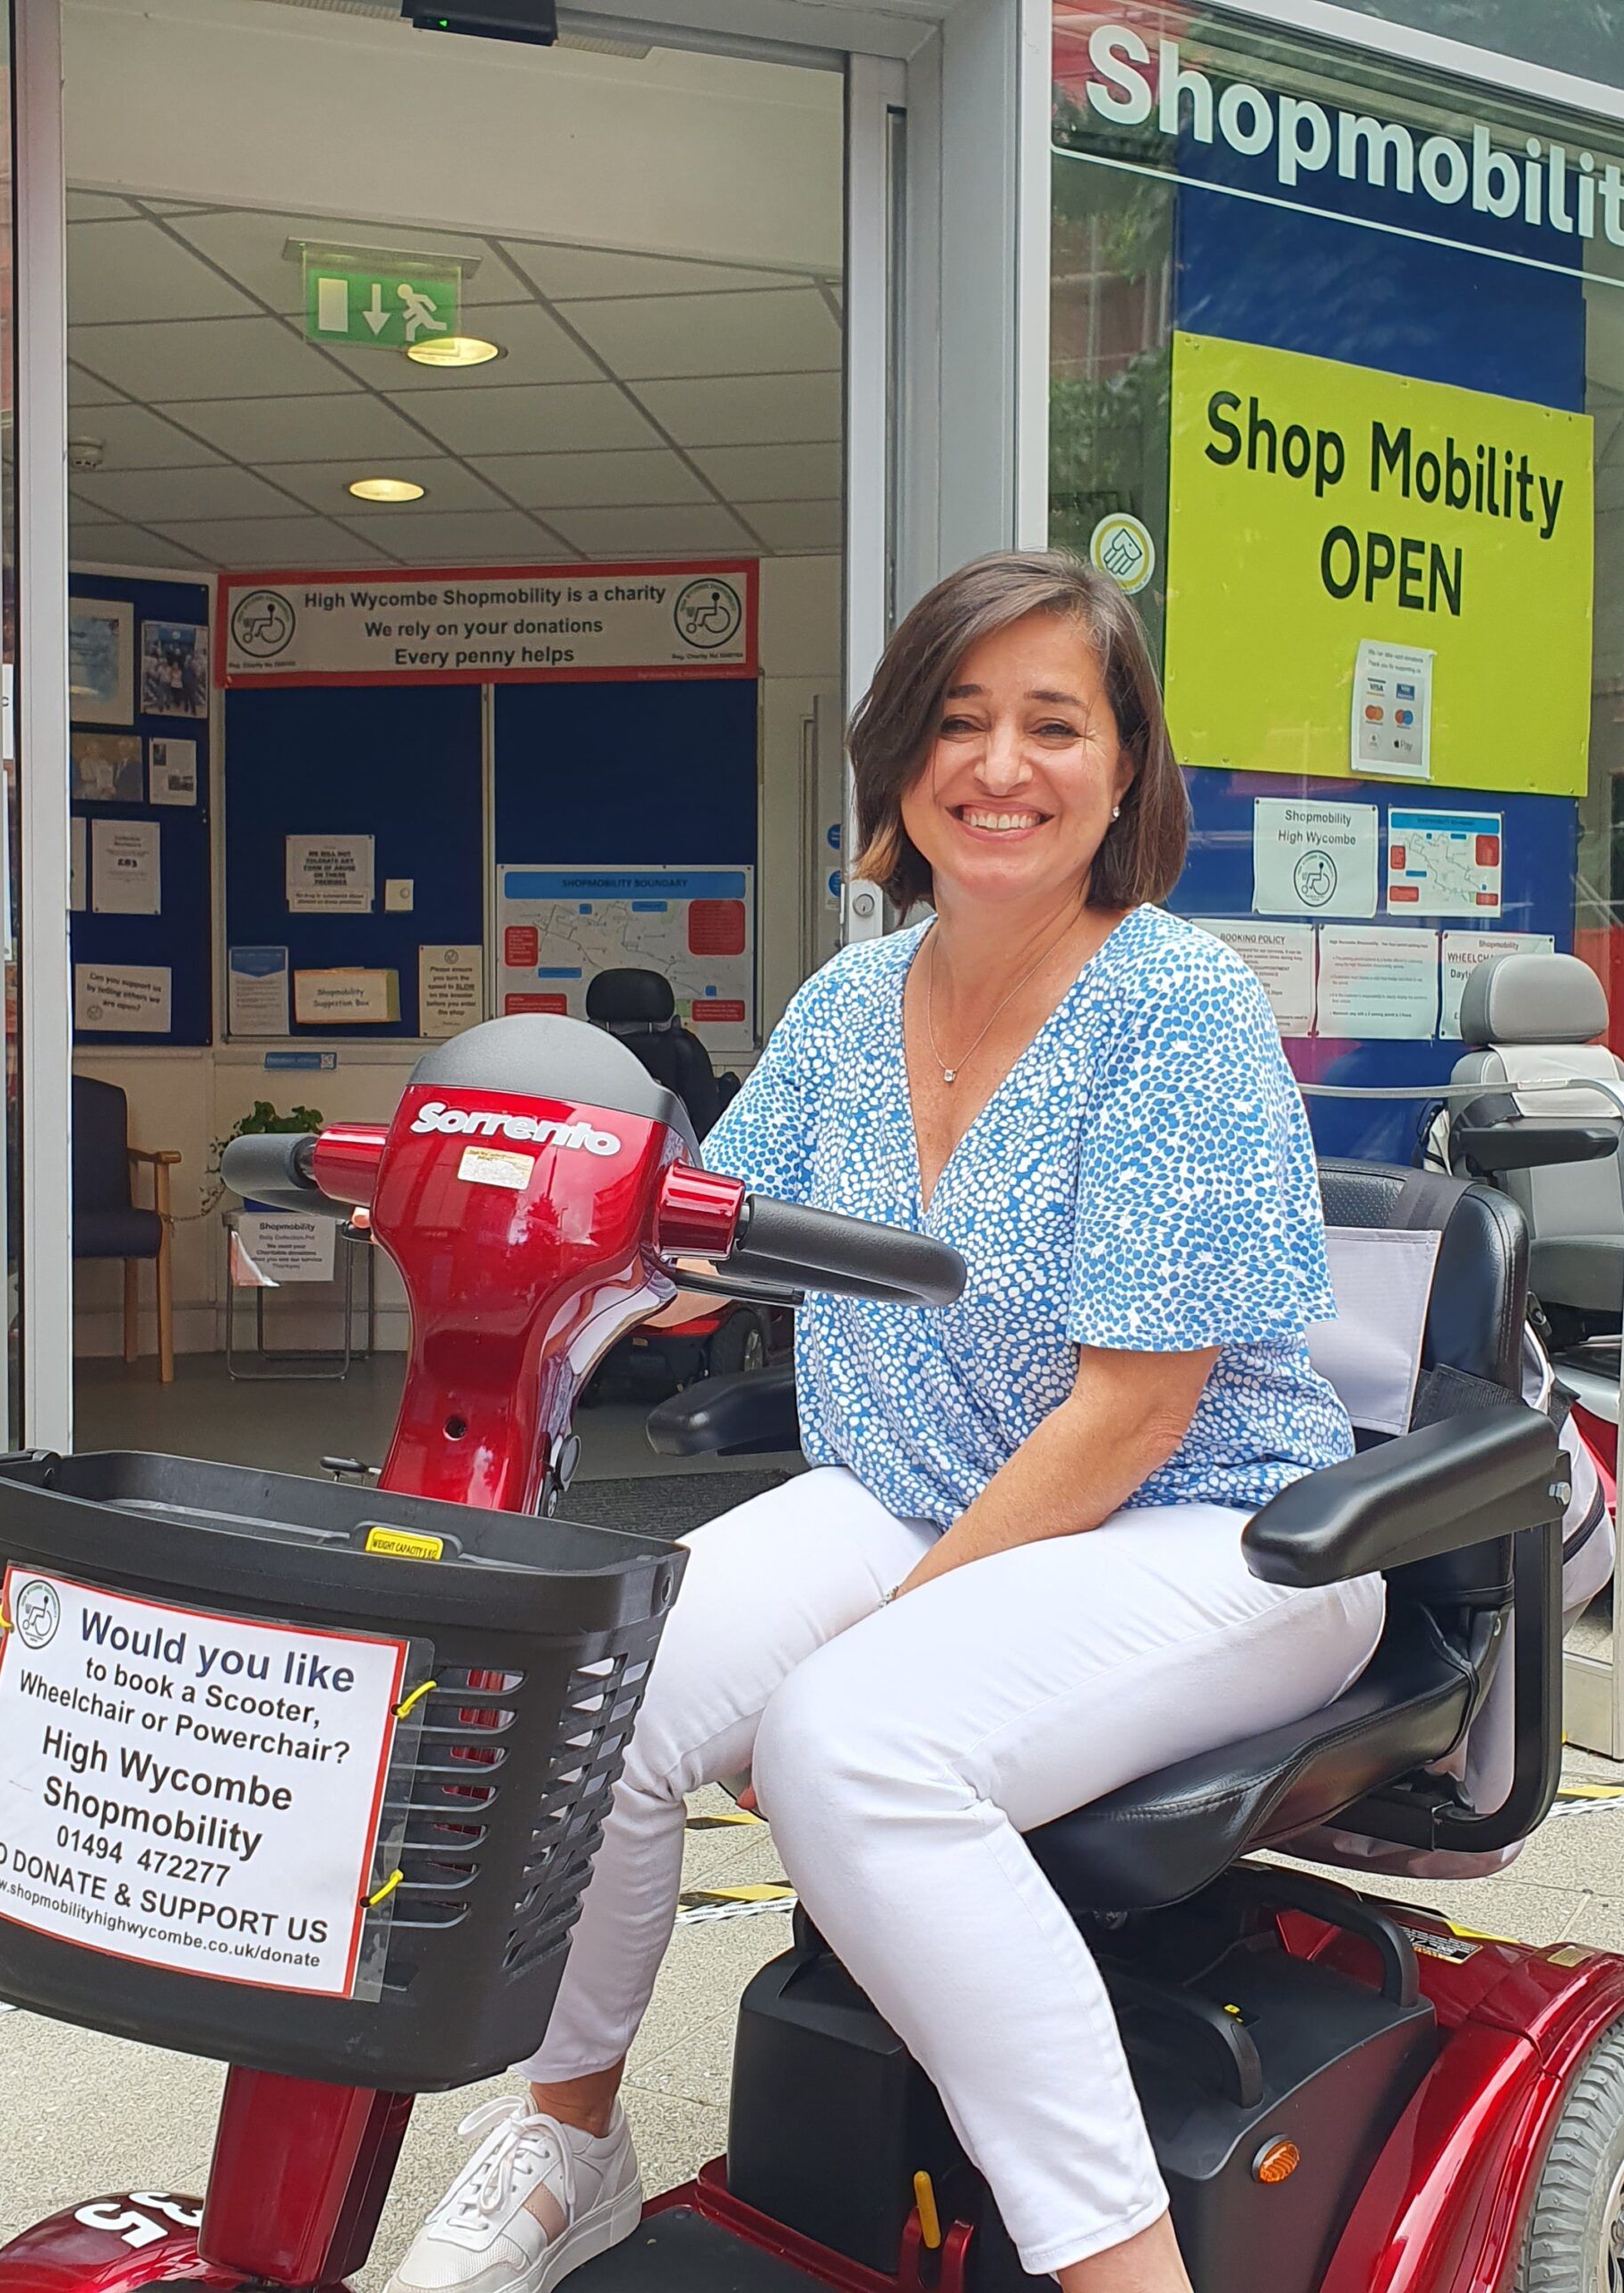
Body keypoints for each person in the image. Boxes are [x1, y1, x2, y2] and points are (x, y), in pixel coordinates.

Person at [386, 553, 1376, 2293]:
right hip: (911, 1488)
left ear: (1124, 769)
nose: (998, 763)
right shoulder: (849, 1003)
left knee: (852, 1743)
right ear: (897, 762)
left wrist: (871, 1643)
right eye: (957, 718)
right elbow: (697, 1245)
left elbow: (1133, 1412)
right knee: (586, 1681)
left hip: (1216, 1523)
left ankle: (1123, 2272)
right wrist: (522, 1200)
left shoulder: (1176, 1003)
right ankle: (567, 2137)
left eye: (1050, 723)